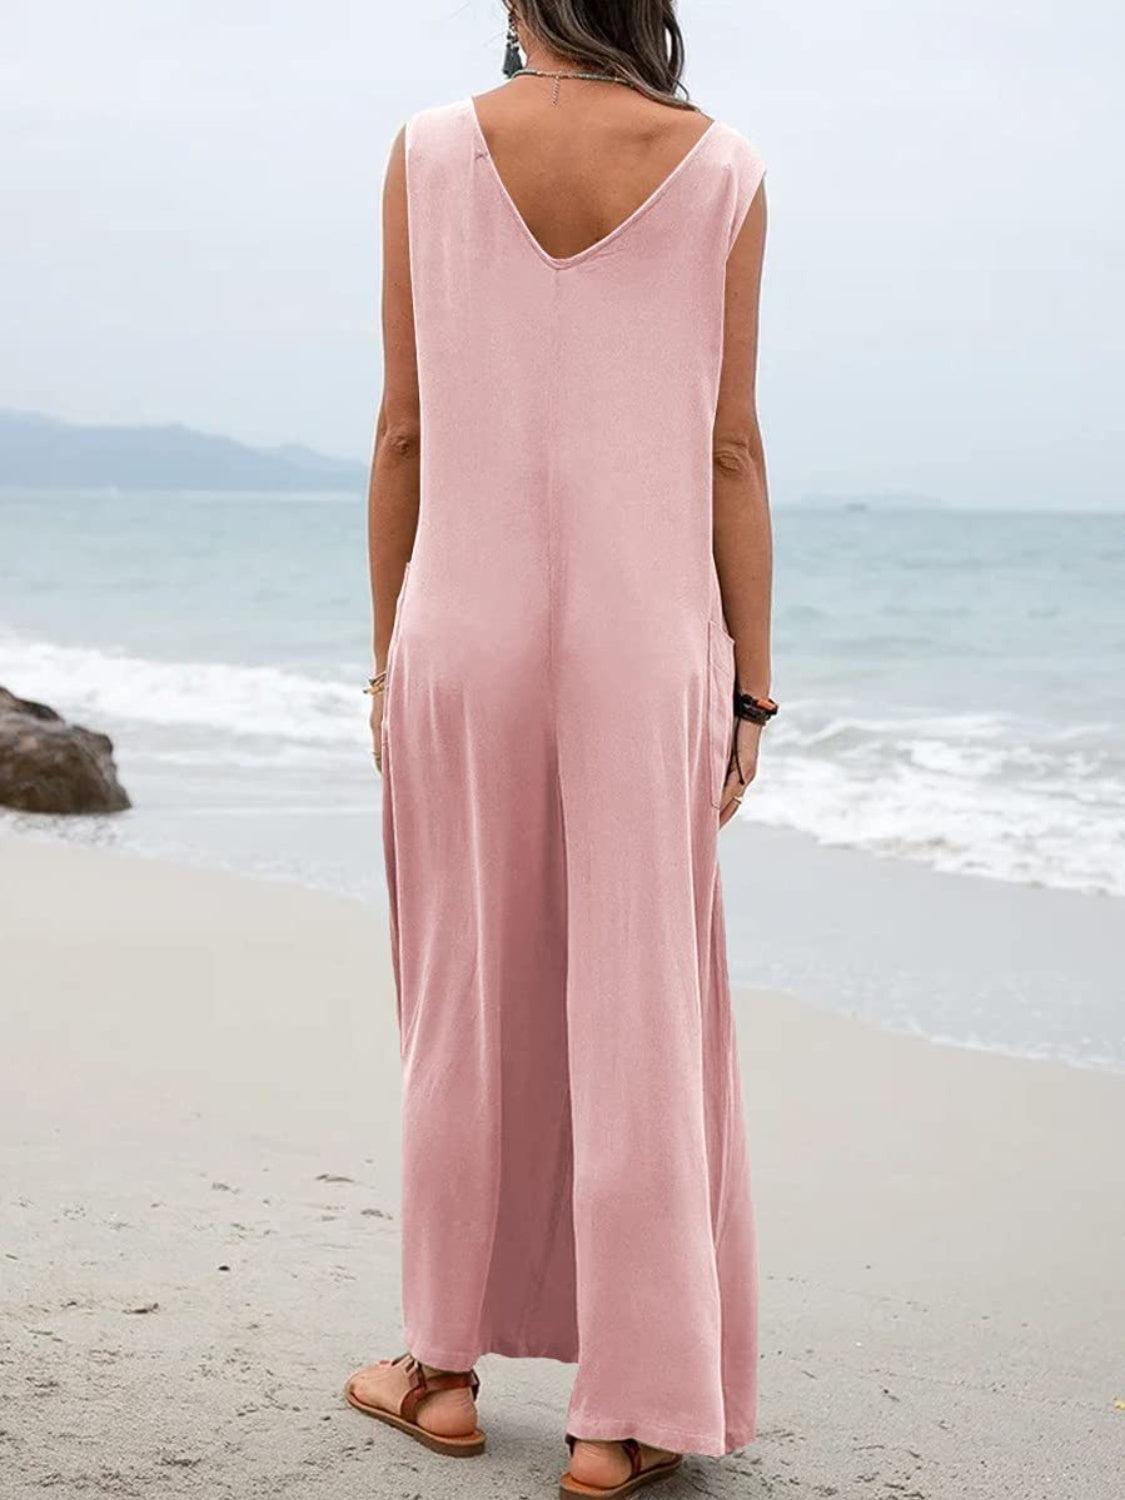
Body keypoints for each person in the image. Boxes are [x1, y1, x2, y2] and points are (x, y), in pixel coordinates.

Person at [346, 2, 775, 1493]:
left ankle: (443, 1370)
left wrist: (386, 654)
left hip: (458, 637)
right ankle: (622, 1419)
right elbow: (729, 446)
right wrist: (751, 692)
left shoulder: (424, 148)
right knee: (639, 1012)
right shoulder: (721, 166)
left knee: (461, 996)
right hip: (647, 647)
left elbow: (404, 430)